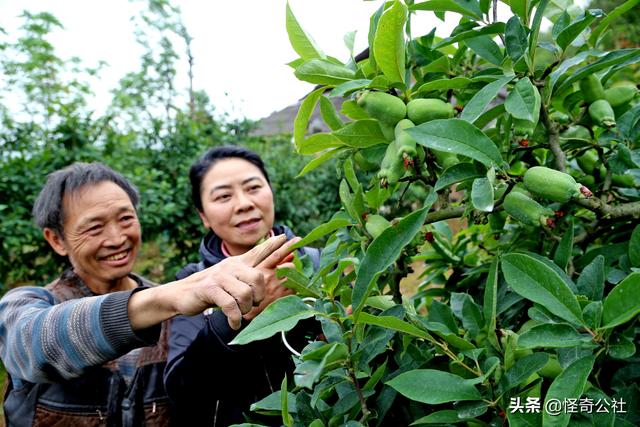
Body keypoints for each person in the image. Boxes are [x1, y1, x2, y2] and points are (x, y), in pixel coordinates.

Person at [0, 162, 294, 426]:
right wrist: (164, 298)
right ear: (57, 240)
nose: (116, 238)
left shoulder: (179, 314)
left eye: (126, 219)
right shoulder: (25, 304)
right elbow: (30, 345)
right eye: (94, 227)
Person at [163, 146, 321, 426]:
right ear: (203, 216)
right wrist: (239, 313)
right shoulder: (191, 284)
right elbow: (182, 393)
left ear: (271, 192)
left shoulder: (319, 264)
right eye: (224, 196)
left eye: (253, 187)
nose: (244, 203)